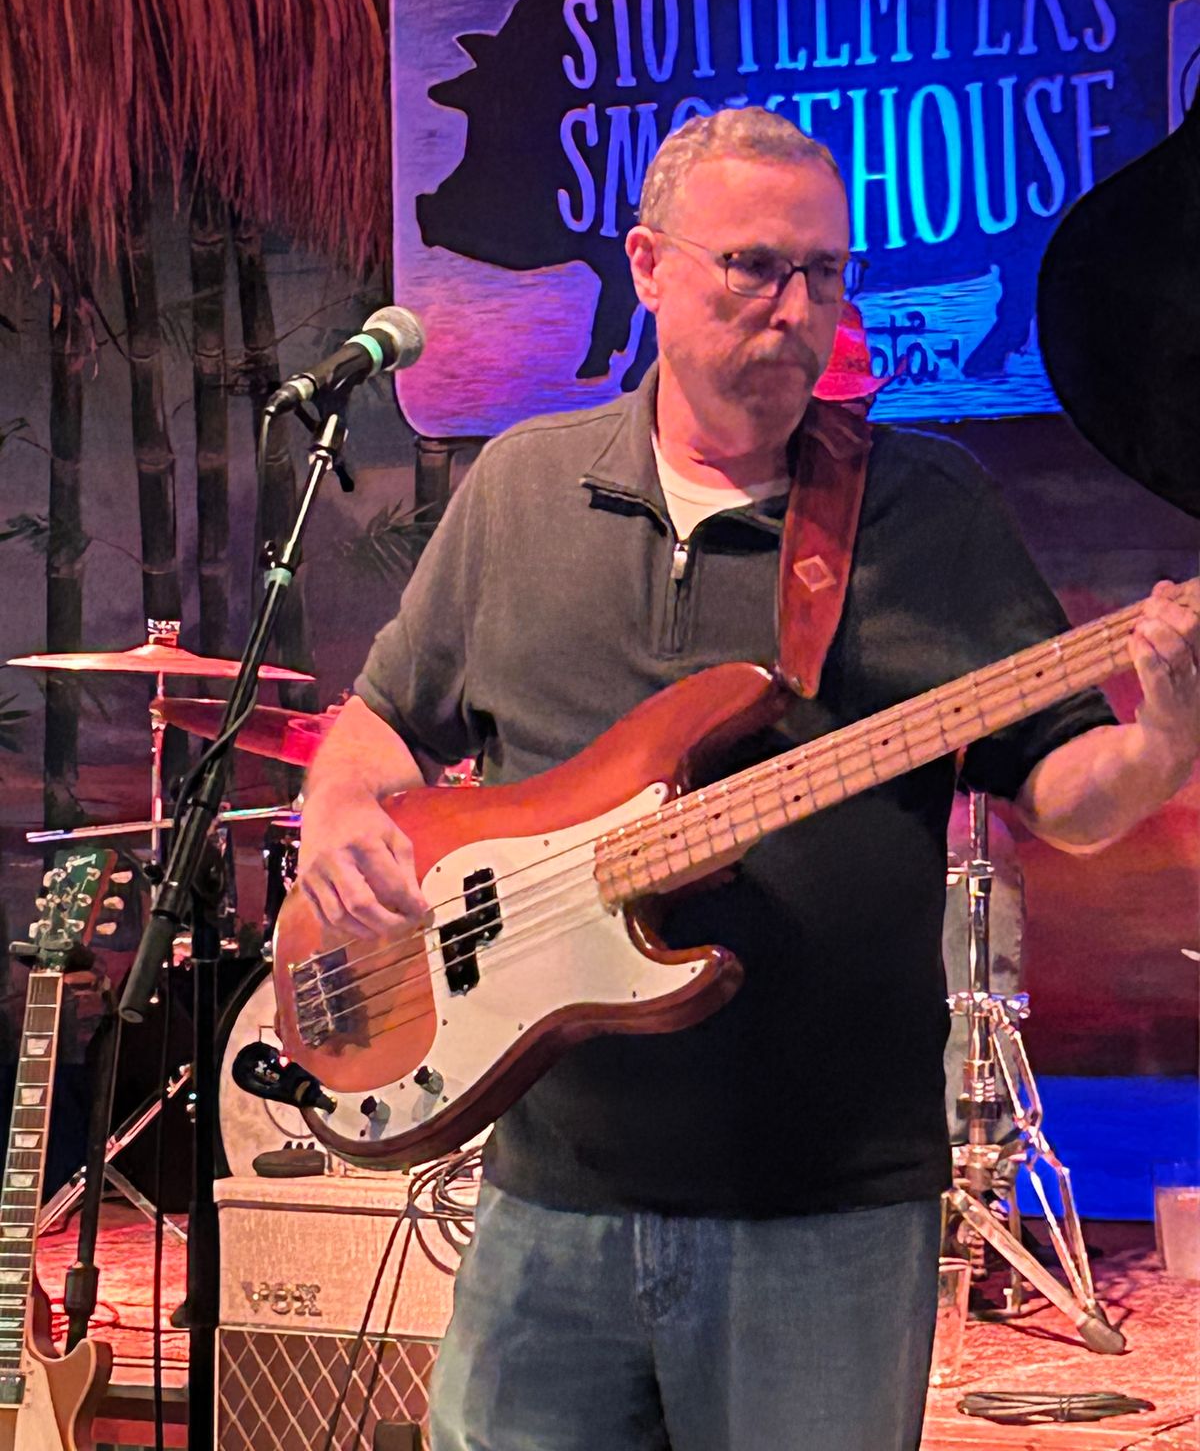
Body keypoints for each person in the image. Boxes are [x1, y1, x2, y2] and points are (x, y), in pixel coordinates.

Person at [296, 107, 1200, 1451]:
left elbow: (1065, 797)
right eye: (754, 268)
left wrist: (1166, 733)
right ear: (648, 266)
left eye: (824, 274)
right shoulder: (522, 490)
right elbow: (383, 722)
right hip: (547, 1203)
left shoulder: (928, 513)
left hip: (826, 1214)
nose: (795, 310)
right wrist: (337, 810)